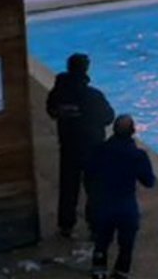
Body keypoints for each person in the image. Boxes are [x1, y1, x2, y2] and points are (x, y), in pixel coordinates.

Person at [46, 53, 116, 239]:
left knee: (68, 187)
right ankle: (94, 225)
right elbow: (108, 117)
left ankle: (66, 225)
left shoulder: (58, 92)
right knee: (94, 188)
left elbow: (51, 112)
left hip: (68, 146)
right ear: (85, 69)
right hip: (92, 147)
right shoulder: (92, 96)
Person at [88, 115, 156, 279]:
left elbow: (89, 173)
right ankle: (120, 273)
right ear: (133, 132)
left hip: (104, 203)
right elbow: (149, 182)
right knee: (126, 244)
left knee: (101, 241)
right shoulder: (137, 155)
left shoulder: (100, 150)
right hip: (125, 205)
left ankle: (98, 271)